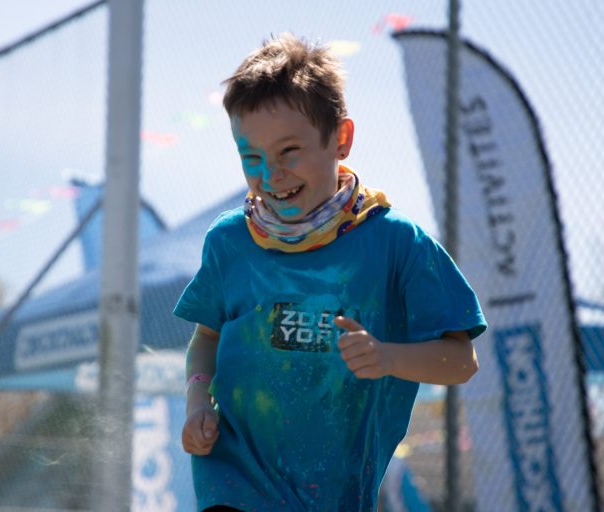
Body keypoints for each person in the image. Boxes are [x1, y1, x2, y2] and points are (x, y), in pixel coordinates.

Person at [173, 33, 487, 512]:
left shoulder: (395, 244)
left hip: (335, 492)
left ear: (340, 139)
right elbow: (206, 340)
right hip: (233, 480)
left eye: (289, 152)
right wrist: (198, 402)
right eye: (250, 157)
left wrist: (386, 358)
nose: (270, 174)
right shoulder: (230, 242)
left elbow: (461, 361)